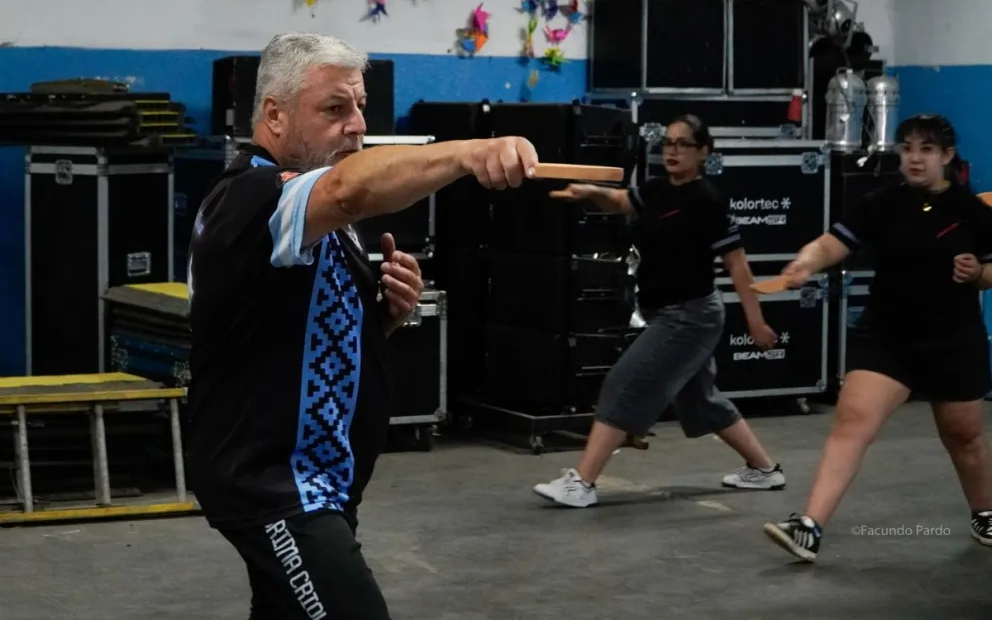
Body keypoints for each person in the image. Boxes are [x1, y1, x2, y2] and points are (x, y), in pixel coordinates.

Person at [185, 32, 541, 619]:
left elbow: (282, 333)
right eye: (334, 109)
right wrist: (467, 153)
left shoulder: (309, 206)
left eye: (359, 107)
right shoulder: (251, 197)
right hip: (274, 488)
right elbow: (352, 192)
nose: (356, 125)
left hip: (321, 482)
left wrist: (384, 316)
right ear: (273, 113)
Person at [763, 114, 992, 562]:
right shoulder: (880, 202)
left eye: (926, 149)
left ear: (946, 156)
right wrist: (806, 262)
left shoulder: (972, 212)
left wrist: (979, 273)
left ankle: (985, 512)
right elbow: (834, 242)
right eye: (907, 148)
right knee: (852, 421)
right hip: (888, 334)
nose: (914, 158)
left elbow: (991, 271)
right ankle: (808, 526)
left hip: (953, 338)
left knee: (964, 436)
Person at [533, 114, 786, 508]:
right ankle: (765, 469)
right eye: (668, 143)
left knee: (623, 382)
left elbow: (738, 264)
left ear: (703, 152)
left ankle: (582, 482)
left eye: (683, 144)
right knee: (700, 400)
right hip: (667, 312)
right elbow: (621, 201)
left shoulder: (708, 202)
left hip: (690, 316)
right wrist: (589, 191)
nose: (673, 150)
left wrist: (756, 321)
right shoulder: (656, 190)